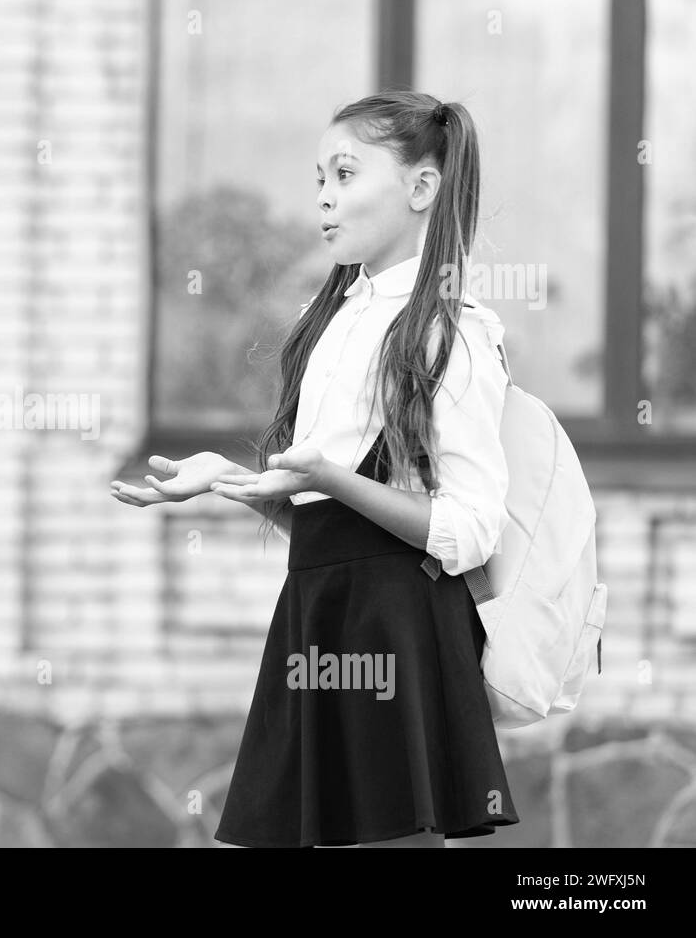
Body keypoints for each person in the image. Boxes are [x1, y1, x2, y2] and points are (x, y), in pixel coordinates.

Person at [112, 89, 519, 848]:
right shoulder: (327, 320)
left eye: (345, 174)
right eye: (319, 180)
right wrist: (228, 479)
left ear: (421, 188)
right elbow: (328, 520)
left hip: (399, 627)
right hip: (316, 616)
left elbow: (471, 527)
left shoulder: (451, 333)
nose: (325, 199)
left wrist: (328, 477)